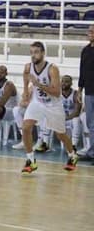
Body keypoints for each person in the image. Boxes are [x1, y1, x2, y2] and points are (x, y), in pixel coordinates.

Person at [21, 41, 79, 173]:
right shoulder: (28, 66)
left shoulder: (52, 68)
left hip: (53, 105)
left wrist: (38, 84)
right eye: (31, 53)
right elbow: (25, 76)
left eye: (36, 52)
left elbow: (57, 92)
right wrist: (25, 91)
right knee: (26, 127)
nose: (33, 55)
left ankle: (72, 155)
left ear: (42, 53)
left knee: (61, 135)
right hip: (37, 102)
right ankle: (31, 160)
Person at [77, 25, 94, 161]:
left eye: (93, 31)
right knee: (89, 123)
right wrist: (79, 89)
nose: (90, 33)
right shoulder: (85, 50)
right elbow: (82, 71)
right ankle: (91, 151)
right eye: (89, 31)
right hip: (88, 91)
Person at [61, 75, 83, 149]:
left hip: (71, 118)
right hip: (61, 118)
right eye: (62, 81)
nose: (64, 83)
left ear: (71, 84)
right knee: (47, 118)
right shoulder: (57, 93)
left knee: (76, 120)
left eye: (66, 82)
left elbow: (77, 112)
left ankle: (74, 146)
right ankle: (45, 143)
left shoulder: (76, 94)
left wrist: (66, 118)